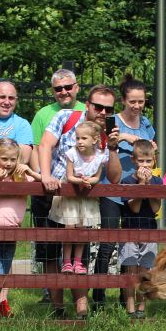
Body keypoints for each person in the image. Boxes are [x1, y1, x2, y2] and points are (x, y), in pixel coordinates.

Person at [38, 84, 116, 318]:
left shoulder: (105, 133)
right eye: (98, 106)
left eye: (108, 109)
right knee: (52, 251)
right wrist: (45, 176)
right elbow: (45, 145)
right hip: (57, 191)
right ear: (88, 104)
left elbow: (114, 177)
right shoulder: (66, 116)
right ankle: (58, 308)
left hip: (85, 199)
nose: (103, 112)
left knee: (80, 253)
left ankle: (81, 308)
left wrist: (112, 146)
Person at [93, 75, 156, 309]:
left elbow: (150, 151)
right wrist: (125, 138)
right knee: (108, 243)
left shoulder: (147, 124)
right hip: (112, 189)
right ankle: (98, 298)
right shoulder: (112, 121)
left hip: (136, 192)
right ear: (123, 100)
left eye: (141, 101)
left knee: (131, 245)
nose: (137, 106)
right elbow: (103, 144)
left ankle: (125, 297)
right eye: (133, 101)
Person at [31, 70, 86, 290]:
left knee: (77, 241)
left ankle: (78, 294)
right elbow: (37, 147)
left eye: (68, 87)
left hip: (77, 188)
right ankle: (50, 290)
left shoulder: (87, 111)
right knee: (49, 242)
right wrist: (42, 177)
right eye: (58, 89)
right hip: (50, 186)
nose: (64, 92)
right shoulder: (43, 114)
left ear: (76, 87)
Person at [0, 137, 35, 320]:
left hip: (11, 234)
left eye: (13, 159)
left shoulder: (21, 177)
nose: (9, 163)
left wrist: (29, 170)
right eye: (4, 159)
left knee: (2, 278)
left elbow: (41, 182)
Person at [49, 119, 108, 280]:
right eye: (77, 138)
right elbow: (68, 176)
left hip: (86, 197)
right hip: (71, 195)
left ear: (94, 140)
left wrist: (90, 181)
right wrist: (80, 180)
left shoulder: (99, 157)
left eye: (84, 138)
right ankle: (66, 261)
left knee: (82, 229)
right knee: (69, 227)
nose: (79, 142)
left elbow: (97, 176)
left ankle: (78, 261)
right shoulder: (72, 154)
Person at [110, 138, 160, 318]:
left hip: (149, 230)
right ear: (133, 161)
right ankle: (130, 308)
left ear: (154, 161)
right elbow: (135, 207)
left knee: (145, 271)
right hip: (130, 230)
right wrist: (140, 185)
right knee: (131, 269)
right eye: (141, 161)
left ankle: (142, 307)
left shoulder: (157, 181)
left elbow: (155, 208)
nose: (145, 165)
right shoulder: (127, 180)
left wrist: (149, 186)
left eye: (148, 161)